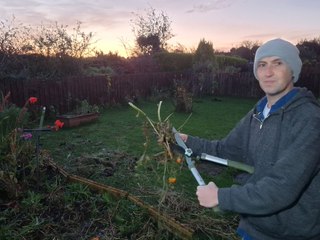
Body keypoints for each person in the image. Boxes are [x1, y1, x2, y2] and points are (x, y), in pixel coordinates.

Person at [180, 38, 320, 240]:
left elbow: (281, 188)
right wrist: (186, 141)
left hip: (290, 234)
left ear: (293, 70)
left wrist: (222, 197)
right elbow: (225, 150)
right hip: (253, 227)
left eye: (278, 63)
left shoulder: (309, 120)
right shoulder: (259, 112)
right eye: (262, 65)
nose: (268, 72)